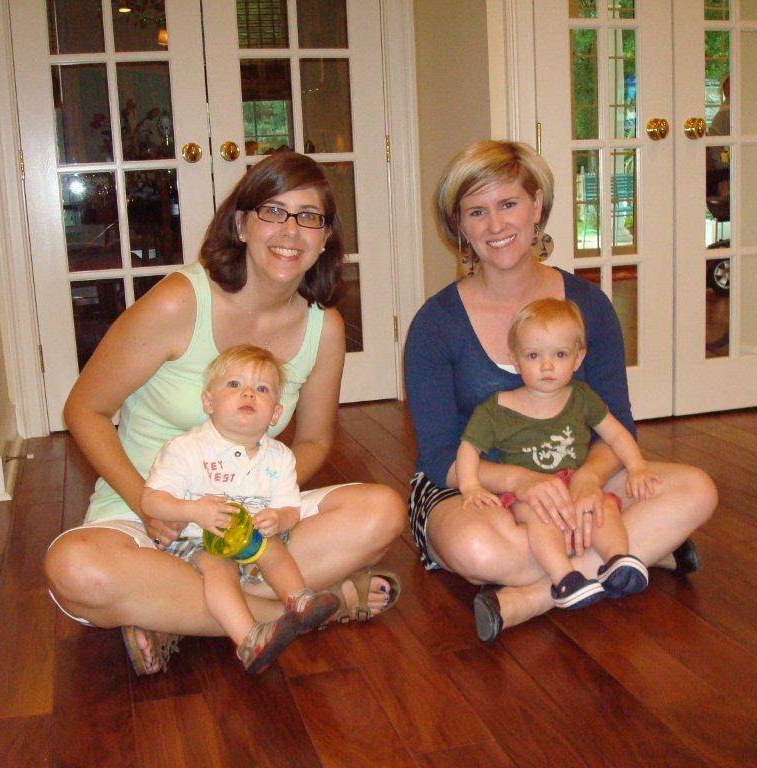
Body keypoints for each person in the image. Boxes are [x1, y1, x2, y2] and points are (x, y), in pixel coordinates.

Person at [45, 151, 405, 675]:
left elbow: (313, 442)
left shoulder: (323, 327)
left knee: (383, 512)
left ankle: (170, 610)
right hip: (149, 515)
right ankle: (315, 607)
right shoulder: (180, 301)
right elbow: (85, 408)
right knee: (75, 570)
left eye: (309, 217)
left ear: (326, 237)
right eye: (273, 211)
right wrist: (147, 504)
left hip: (252, 521)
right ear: (240, 224)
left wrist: (273, 504)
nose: (291, 231)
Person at [404, 140, 717, 643]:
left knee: (696, 489)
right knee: (481, 552)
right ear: (460, 226)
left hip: (573, 473)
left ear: (537, 207)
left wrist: (589, 481)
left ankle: (534, 597)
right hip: (471, 484)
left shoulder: (588, 306)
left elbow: (617, 426)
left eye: (508, 203)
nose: (496, 225)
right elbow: (440, 455)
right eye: (477, 212)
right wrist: (521, 481)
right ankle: (639, 549)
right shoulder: (435, 324)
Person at [140, 345, 340, 674]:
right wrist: (194, 511)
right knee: (219, 569)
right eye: (234, 384)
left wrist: (278, 518)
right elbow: (151, 501)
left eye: (262, 389)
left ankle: (300, 602)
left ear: (275, 413)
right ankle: (249, 640)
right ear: (208, 402)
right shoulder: (187, 449)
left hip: (251, 540)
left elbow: (291, 509)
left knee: (274, 548)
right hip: (198, 541)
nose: (248, 393)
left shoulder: (279, 457)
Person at [456, 299, 659, 610]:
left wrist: (637, 466)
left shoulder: (582, 398)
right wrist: (470, 486)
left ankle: (618, 561)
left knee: (602, 507)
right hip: (528, 495)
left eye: (560, 355)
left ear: (578, 358)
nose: (547, 366)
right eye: (533, 355)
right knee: (540, 519)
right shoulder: (497, 409)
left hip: (575, 483)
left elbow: (617, 434)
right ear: (515, 360)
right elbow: (468, 448)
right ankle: (565, 579)